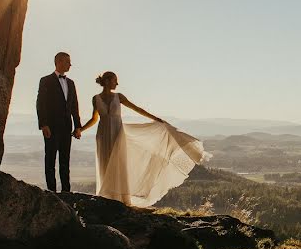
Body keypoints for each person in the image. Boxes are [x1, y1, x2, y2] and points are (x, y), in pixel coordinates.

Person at [78, 71, 208, 206]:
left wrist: (155, 119)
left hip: (118, 133)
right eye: (114, 80)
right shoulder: (96, 98)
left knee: (119, 164)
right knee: (105, 162)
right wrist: (81, 129)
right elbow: (94, 119)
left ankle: (122, 200)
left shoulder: (119, 96)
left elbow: (137, 109)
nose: (117, 83)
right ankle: (107, 197)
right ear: (107, 81)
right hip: (102, 135)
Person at [36, 52, 82, 192]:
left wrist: (78, 126)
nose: (70, 65)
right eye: (68, 62)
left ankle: (66, 192)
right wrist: (43, 124)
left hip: (66, 127)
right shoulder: (46, 80)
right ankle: (52, 193)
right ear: (59, 62)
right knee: (50, 160)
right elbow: (40, 103)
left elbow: (74, 106)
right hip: (51, 127)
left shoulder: (71, 83)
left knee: (65, 161)